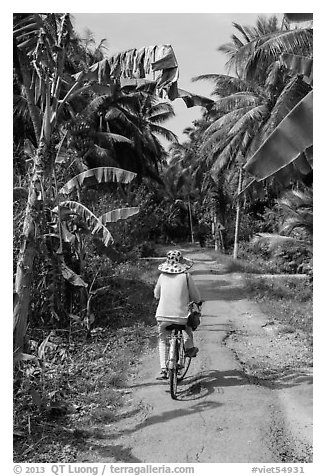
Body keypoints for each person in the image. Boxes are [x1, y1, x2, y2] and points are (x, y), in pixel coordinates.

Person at [154, 250, 201, 380]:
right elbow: (196, 296)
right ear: (181, 263)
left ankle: (163, 369)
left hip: (162, 317)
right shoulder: (186, 276)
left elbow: (156, 295)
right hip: (181, 317)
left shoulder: (162, 276)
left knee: (163, 339)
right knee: (187, 328)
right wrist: (198, 302)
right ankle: (189, 348)